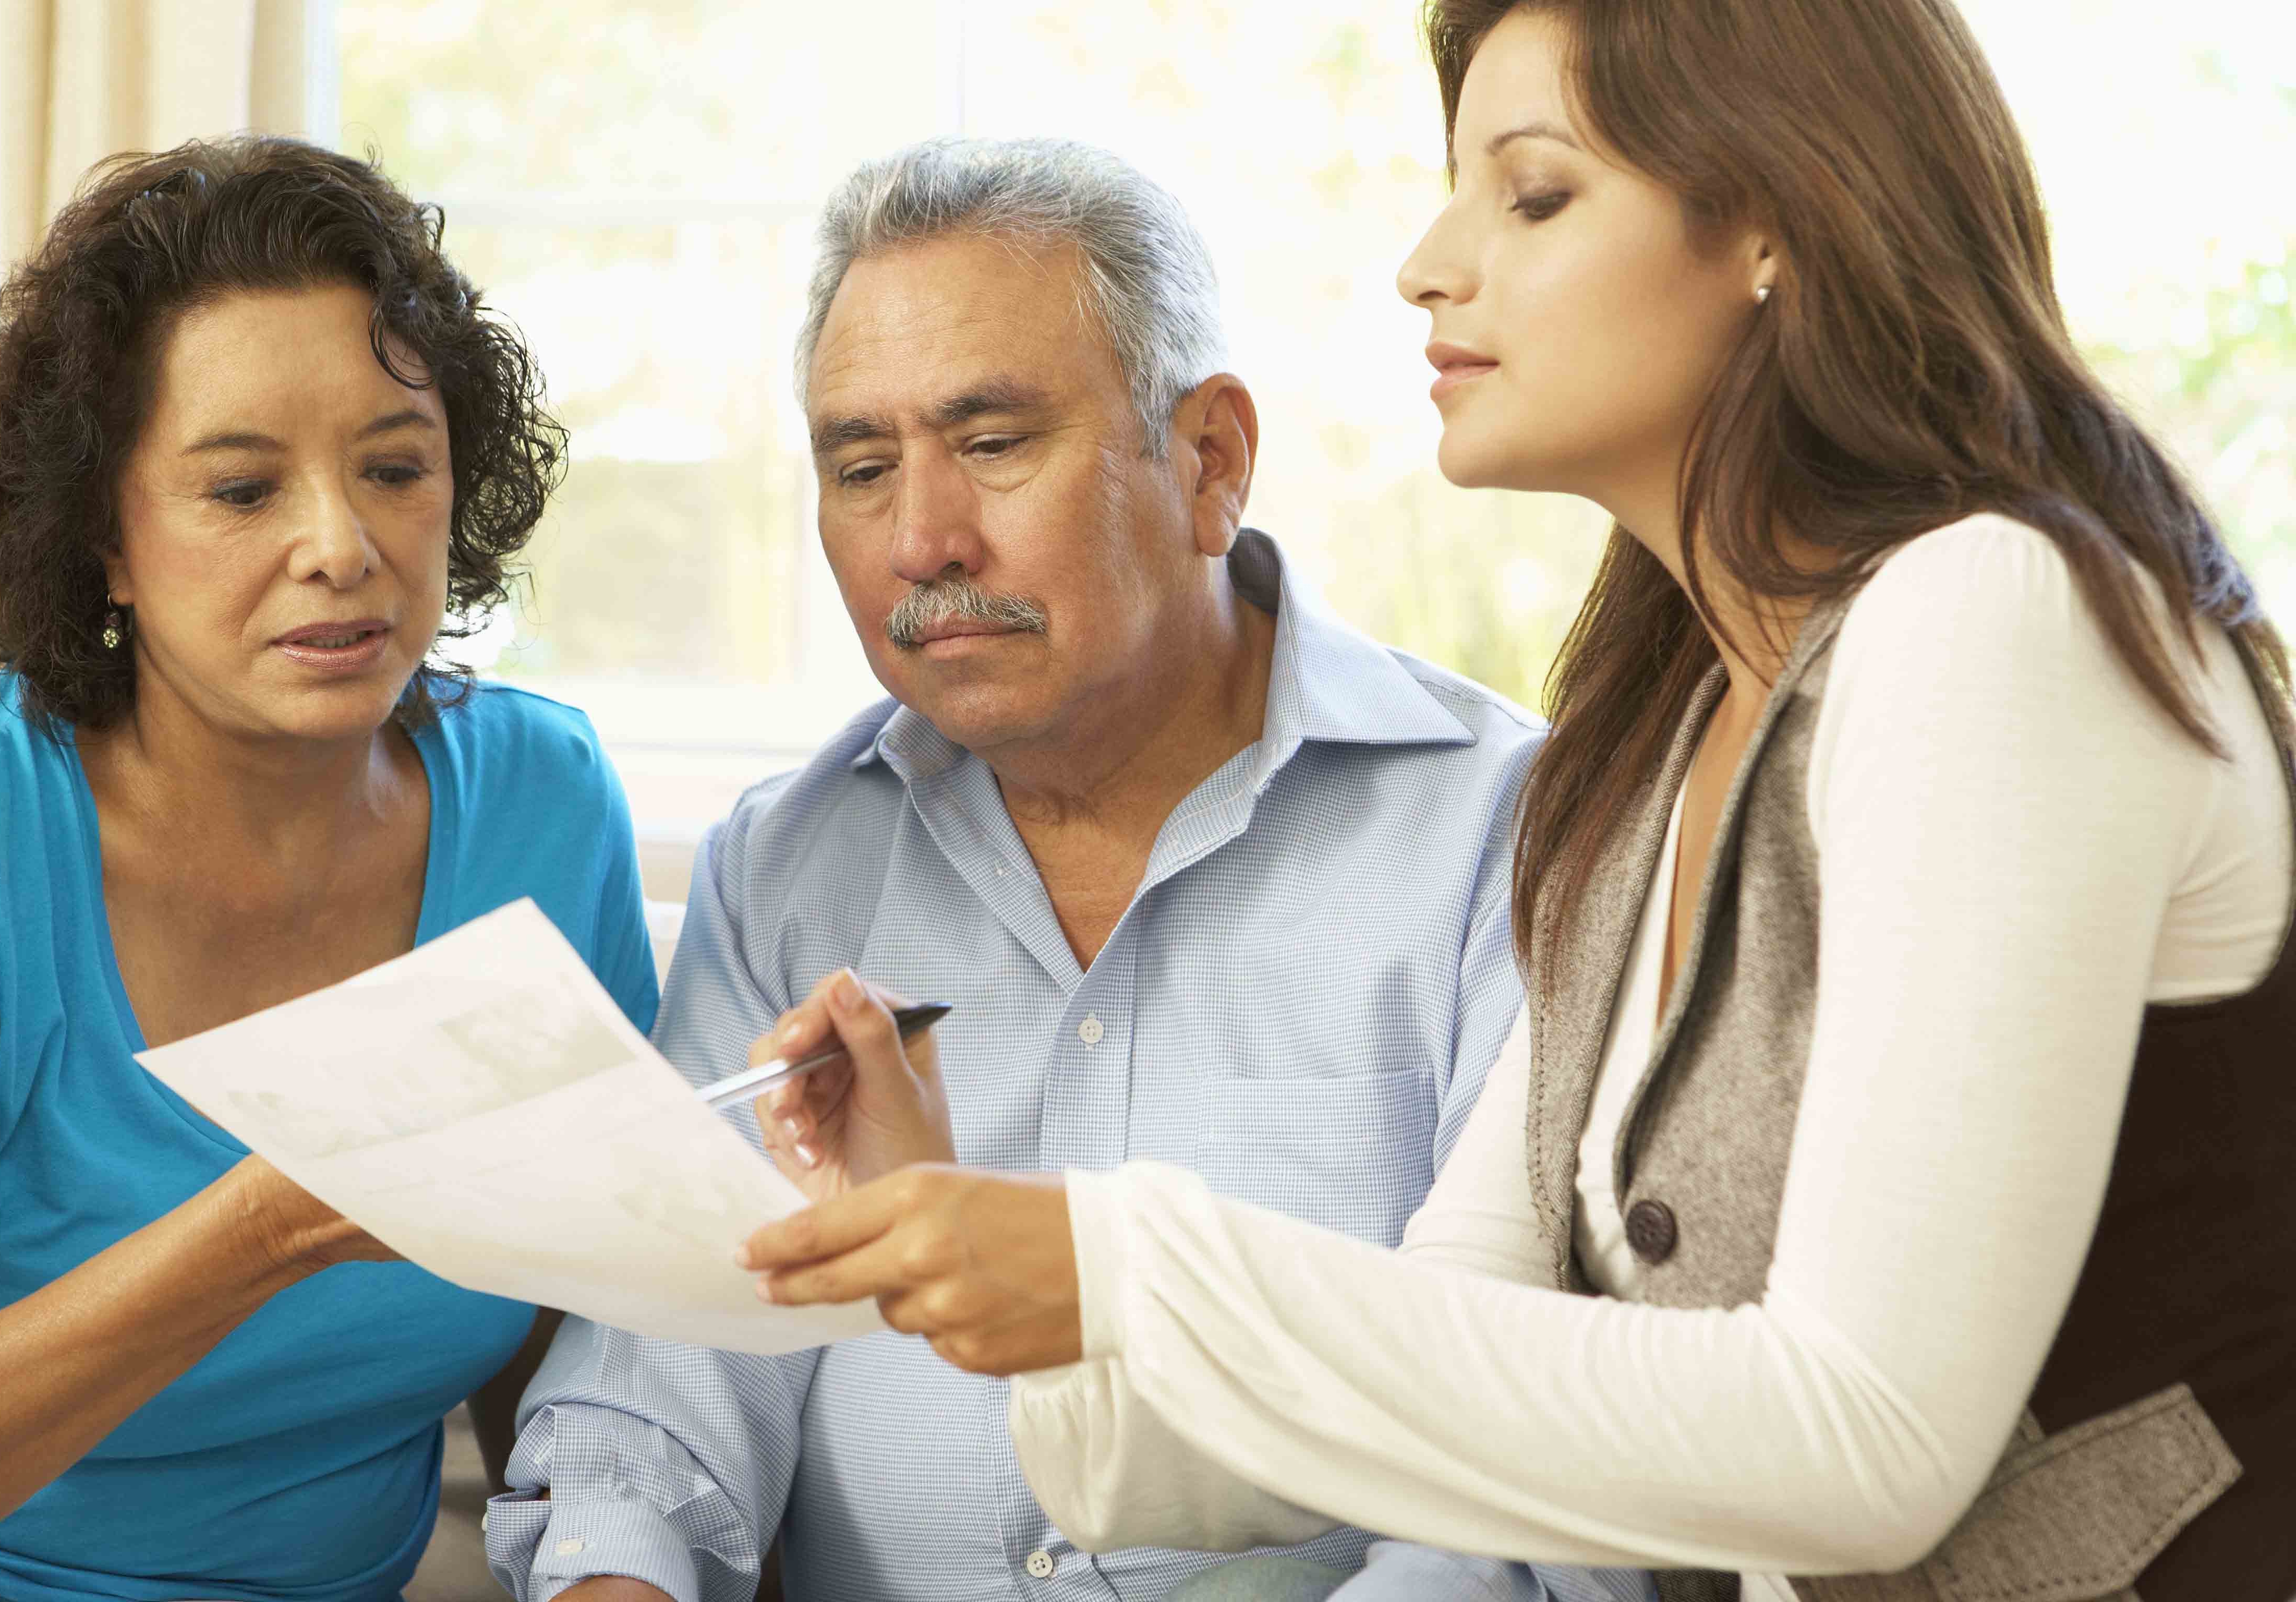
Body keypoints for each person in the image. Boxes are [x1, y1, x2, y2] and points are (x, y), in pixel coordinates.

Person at [735, 0, 2296, 1599]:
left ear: (1776, 224)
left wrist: (1117, 1264)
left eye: (1535, 193)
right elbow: (1462, 1351)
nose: (1429, 263)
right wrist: (974, 1271)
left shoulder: (1988, 615)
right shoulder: (1650, 740)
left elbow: (1863, 1445)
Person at [490, 138, 1650, 1602]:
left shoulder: (1511, 839)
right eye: (861, 467)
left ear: (1210, 459)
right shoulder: (785, 866)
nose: (921, 539)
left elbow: (1526, 1480)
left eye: (991, 444)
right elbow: (651, 1399)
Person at [0, 137, 659, 1602]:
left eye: (393, 469)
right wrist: (260, 1228)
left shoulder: (544, 800)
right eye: (241, 490)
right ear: (109, 541)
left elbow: (571, 1319)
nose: (340, 547)